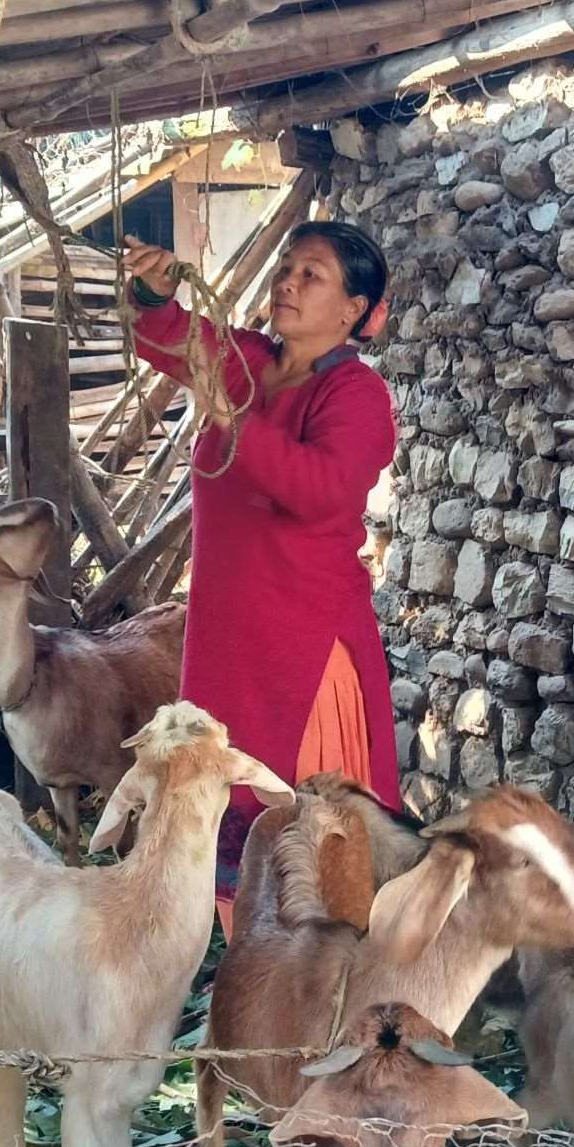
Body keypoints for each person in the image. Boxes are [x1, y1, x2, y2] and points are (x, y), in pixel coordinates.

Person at [120, 222, 401, 938]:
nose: (287, 283)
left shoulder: (357, 396)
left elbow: (320, 491)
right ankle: (250, 960)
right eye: (287, 267)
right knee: (225, 792)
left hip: (301, 643)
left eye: (312, 275)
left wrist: (232, 418)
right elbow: (171, 338)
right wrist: (152, 295)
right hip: (229, 639)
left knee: (307, 816)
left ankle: (322, 972)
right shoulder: (246, 360)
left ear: (352, 309)